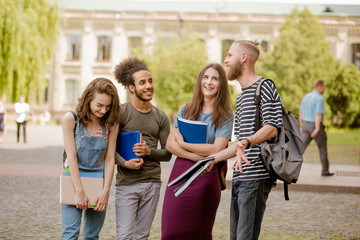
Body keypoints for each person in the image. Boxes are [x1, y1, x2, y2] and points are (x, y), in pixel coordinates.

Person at [204, 40, 283, 240]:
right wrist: (212, 159)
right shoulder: (241, 97)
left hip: (256, 177)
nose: (225, 60)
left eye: (230, 55)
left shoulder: (264, 86)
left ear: (244, 57)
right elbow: (238, 144)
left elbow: (272, 127)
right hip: (240, 178)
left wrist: (247, 142)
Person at [161, 63, 234, 240]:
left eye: (215, 79)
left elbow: (217, 148)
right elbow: (170, 144)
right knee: (171, 232)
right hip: (180, 175)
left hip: (206, 178)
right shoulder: (187, 109)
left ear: (221, 85)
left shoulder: (226, 115)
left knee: (198, 233)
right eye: (206, 77)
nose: (209, 82)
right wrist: (195, 156)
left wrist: (184, 145)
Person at [113, 58, 172, 240]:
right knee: (124, 235)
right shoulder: (121, 113)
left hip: (152, 183)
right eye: (142, 83)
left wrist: (149, 152)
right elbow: (109, 149)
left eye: (150, 81)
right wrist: (125, 163)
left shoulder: (161, 116)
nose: (148, 86)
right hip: (126, 183)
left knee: (141, 236)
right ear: (132, 87)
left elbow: (167, 154)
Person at [61, 77, 121, 240]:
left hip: (99, 180)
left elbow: (109, 158)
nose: (103, 111)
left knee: (92, 236)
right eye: (99, 105)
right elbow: (72, 157)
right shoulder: (71, 119)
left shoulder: (112, 123)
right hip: (73, 179)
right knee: (70, 233)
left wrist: (105, 191)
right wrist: (79, 191)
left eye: (108, 106)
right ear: (88, 100)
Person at [299, 79, 334, 176]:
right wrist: (317, 128)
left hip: (305, 124)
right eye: (324, 86)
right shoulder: (319, 98)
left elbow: (300, 112)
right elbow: (318, 114)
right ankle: (325, 171)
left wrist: (301, 125)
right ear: (320, 86)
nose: (324, 88)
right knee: (322, 148)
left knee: (301, 148)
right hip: (315, 125)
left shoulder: (306, 96)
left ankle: (287, 167)